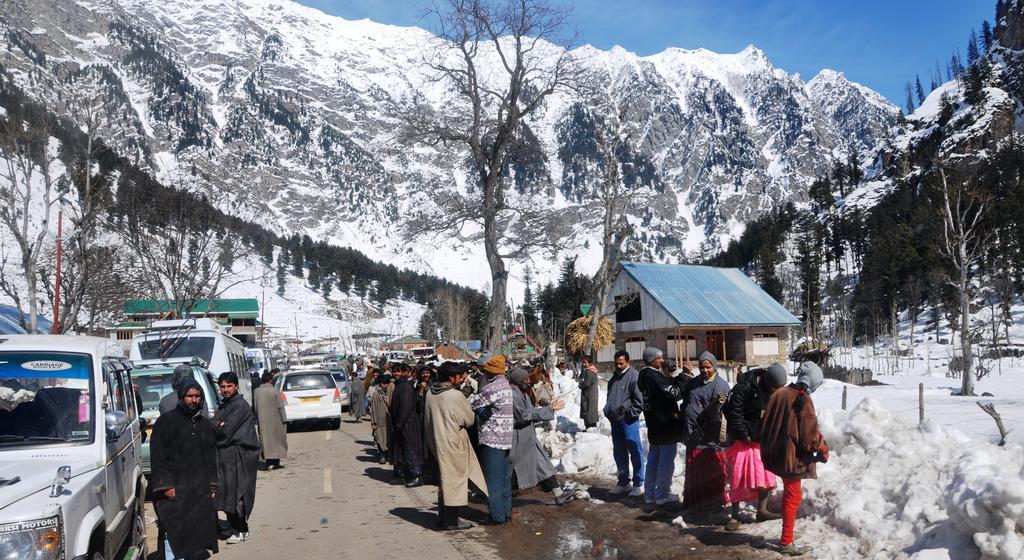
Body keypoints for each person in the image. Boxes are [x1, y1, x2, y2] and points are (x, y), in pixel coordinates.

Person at [760, 362, 829, 556]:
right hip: (791, 458)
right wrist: (823, 448)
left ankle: (788, 532)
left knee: (790, 495)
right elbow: (810, 437)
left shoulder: (780, 393)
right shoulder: (802, 398)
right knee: (793, 497)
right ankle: (786, 542)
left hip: (776, 454)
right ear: (814, 382)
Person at [150, 379, 218, 560]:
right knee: (173, 529)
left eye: (197, 396)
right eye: (190, 396)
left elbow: (211, 458)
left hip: (198, 489)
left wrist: (212, 485)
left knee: (196, 530)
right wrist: (166, 486)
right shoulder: (165, 422)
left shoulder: (203, 424)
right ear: (181, 397)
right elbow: (158, 457)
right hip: (175, 489)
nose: (194, 400)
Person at [424, 362, 489, 530]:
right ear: (452, 377)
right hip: (453, 443)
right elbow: (468, 419)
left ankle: (443, 517)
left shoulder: (430, 393)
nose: (461, 380)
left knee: (444, 480)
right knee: (454, 482)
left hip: (436, 442)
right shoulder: (454, 395)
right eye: (459, 377)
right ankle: (452, 521)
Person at [723, 363, 788, 530]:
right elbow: (734, 413)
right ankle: (735, 515)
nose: (777, 391)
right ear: (768, 383)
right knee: (738, 476)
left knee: (765, 475)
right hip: (741, 440)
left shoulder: (772, 390)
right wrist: (745, 435)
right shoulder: (744, 387)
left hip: (761, 439)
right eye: (776, 388)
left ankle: (762, 510)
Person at [508, 368, 571, 505]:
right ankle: (500, 498)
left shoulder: (523, 393)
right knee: (513, 469)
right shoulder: (512, 395)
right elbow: (522, 416)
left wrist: (546, 410)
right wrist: (548, 410)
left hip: (528, 437)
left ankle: (558, 493)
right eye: (525, 380)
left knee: (543, 463)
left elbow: (530, 412)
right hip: (519, 438)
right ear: (518, 381)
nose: (528, 382)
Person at [213, 372, 260, 544]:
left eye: (229, 386)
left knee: (238, 493)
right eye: (222, 386)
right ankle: (235, 527)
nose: (225, 390)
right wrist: (218, 424)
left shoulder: (240, 405)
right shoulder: (224, 405)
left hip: (239, 456)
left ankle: (242, 529)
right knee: (226, 493)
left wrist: (219, 425)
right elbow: (214, 425)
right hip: (226, 456)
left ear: (236, 386)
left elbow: (225, 432)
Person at [681, 351, 731, 513]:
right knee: (695, 474)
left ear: (714, 367)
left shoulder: (720, 386)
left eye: (708, 367)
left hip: (708, 439)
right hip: (692, 436)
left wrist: (702, 431)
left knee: (711, 473)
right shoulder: (695, 382)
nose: (704, 370)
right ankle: (696, 503)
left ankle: (714, 503)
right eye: (702, 367)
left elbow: (717, 415)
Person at [468, 354, 515, 524]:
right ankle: (506, 511)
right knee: (504, 479)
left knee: (493, 480)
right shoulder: (506, 386)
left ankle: (496, 516)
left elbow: (472, 402)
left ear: (491, 372)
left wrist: (480, 409)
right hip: (505, 438)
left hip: (492, 438)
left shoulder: (492, 387)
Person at [637, 347, 686, 506]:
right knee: (665, 462)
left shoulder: (645, 376)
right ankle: (662, 495)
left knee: (653, 460)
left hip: (654, 424)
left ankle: (650, 494)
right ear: (653, 360)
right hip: (665, 424)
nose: (663, 361)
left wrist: (668, 376)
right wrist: (685, 376)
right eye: (660, 358)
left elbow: (663, 388)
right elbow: (673, 393)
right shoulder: (653, 377)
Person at [603, 350, 645, 496]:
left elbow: (639, 401)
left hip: (629, 421)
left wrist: (629, 415)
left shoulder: (634, 377)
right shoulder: (613, 379)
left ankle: (639, 483)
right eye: (616, 363)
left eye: (621, 363)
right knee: (619, 451)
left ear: (628, 362)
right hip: (615, 420)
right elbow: (609, 398)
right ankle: (623, 482)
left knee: (634, 450)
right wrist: (608, 411)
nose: (619, 366)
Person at [391, 363, 424, 487]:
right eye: (394, 371)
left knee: (410, 449)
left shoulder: (404, 387)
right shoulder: (400, 386)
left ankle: (417, 475)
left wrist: (399, 424)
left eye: (399, 371)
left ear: (405, 373)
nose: (396, 374)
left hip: (407, 425)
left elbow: (405, 408)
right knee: (406, 450)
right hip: (403, 425)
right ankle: (410, 474)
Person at [253, 371, 288, 470]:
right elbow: (280, 406)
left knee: (265, 441)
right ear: (270, 380)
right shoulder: (275, 390)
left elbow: (255, 406)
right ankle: (276, 463)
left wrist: (258, 417)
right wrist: (284, 419)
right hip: (276, 419)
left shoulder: (256, 391)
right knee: (277, 441)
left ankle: (268, 463)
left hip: (262, 420)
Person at [367, 372, 392, 464]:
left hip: (387, 421)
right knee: (380, 439)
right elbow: (373, 409)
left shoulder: (387, 392)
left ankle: (387, 455)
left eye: (386, 383)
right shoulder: (377, 393)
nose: (385, 385)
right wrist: (374, 422)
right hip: (379, 421)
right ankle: (382, 456)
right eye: (383, 383)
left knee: (387, 439)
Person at [577, 356, 600, 430]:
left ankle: (589, 427)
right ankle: (591, 427)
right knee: (591, 410)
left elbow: (587, 384)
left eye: (585, 362)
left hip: (588, 395)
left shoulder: (589, 371)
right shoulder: (592, 370)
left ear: (590, 363)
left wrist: (580, 385)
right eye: (583, 362)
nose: (583, 364)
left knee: (588, 410)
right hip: (592, 394)